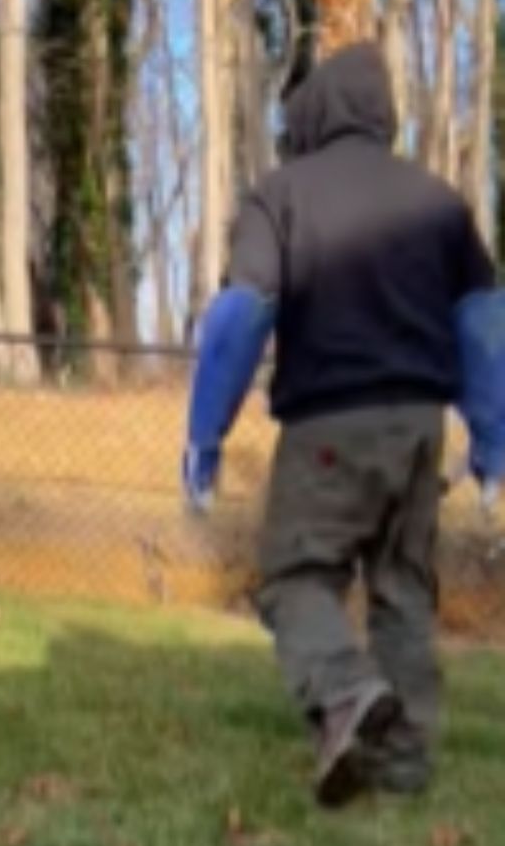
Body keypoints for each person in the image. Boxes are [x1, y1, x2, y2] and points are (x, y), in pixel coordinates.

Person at [182, 40, 504, 807]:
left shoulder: (283, 195)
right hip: (422, 427)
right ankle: (402, 762)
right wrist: (491, 438)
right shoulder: (441, 206)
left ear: (313, 113)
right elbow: (484, 327)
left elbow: (241, 318)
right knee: (402, 590)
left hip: (330, 424)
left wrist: (205, 431)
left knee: (295, 579)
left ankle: (349, 695)